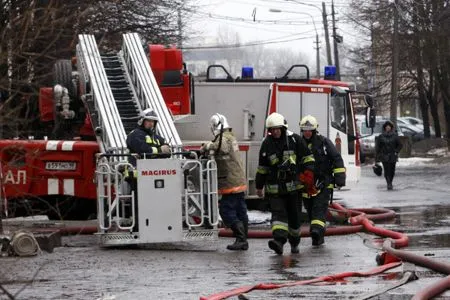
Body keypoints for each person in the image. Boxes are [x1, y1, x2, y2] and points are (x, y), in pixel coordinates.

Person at [255, 112, 315, 255]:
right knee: (278, 215)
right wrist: (259, 186)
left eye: (277, 129)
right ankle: (279, 242)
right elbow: (262, 167)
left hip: (294, 189)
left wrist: (308, 174)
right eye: (272, 129)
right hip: (275, 190)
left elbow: (308, 158)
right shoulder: (266, 144)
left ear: (283, 128)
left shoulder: (294, 140)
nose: (275, 132)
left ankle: (294, 243)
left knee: (294, 219)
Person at [201, 113, 249, 251]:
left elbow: (222, 147)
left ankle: (241, 239)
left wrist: (207, 146)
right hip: (237, 180)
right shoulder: (230, 136)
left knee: (226, 210)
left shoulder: (225, 138)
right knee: (240, 211)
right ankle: (243, 240)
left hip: (231, 182)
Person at [299, 115, 346, 246]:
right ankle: (318, 236)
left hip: (323, 183)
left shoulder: (324, 143)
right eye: (305, 130)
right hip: (306, 185)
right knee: (310, 211)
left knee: (318, 210)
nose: (307, 132)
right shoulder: (298, 144)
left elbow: (336, 158)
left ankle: (316, 231)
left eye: (309, 130)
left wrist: (340, 179)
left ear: (314, 130)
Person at [375, 120, 402, 190]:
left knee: (392, 170)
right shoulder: (381, 136)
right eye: (386, 127)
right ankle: (388, 183)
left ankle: (390, 181)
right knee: (386, 170)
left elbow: (400, 145)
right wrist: (377, 157)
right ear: (384, 128)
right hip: (384, 156)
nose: (388, 128)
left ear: (391, 128)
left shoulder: (395, 136)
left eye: (389, 127)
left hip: (393, 155)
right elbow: (378, 147)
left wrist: (396, 151)